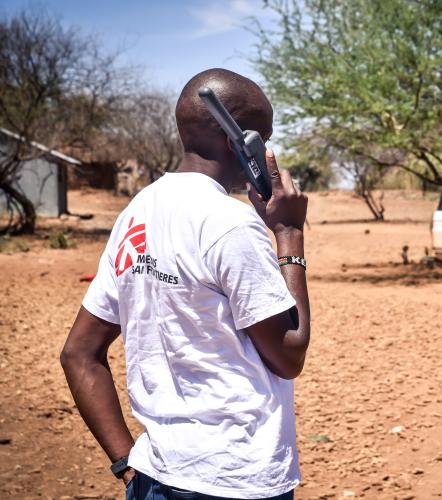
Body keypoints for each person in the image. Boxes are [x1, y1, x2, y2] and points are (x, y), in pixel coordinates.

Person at [60, 68, 310, 500]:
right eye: (263, 138)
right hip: (234, 480)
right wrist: (289, 234)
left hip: (155, 474)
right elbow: (289, 354)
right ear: (241, 141)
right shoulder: (229, 223)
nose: (267, 152)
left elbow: (78, 353)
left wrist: (126, 463)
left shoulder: (137, 212)